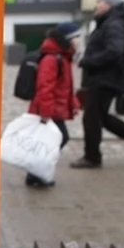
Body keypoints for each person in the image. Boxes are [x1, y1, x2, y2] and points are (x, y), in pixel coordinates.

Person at [71, 0, 124, 169]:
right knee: (101, 117)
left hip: (105, 78)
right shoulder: (110, 21)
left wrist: (89, 61)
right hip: (105, 77)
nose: (96, 5)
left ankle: (92, 157)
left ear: (110, 4)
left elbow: (114, 51)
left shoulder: (114, 24)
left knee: (92, 118)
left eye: (100, 1)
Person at [25, 22, 82, 188]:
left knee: (51, 141)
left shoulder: (62, 57)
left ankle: (36, 174)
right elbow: (45, 87)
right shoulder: (52, 58)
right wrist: (46, 113)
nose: (79, 40)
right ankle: (36, 174)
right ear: (67, 39)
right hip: (48, 110)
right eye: (76, 37)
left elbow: (65, 86)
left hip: (53, 110)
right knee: (57, 139)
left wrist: (74, 102)